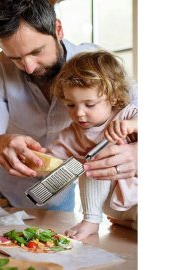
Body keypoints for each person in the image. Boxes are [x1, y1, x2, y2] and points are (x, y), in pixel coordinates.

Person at [0, 0, 137, 210]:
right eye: (16, 58)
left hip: (60, 192)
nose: (28, 67)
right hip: (6, 190)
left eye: (36, 52)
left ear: (58, 29)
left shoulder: (97, 66)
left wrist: (138, 152)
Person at [46, 50, 137, 240]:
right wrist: (35, 157)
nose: (79, 113)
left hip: (136, 200)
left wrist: (132, 125)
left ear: (112, 97)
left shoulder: (126, 114)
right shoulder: (72, 134)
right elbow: (50, 157)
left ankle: (128, 222)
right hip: (106, 206)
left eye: (89, 105)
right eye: (71, 105)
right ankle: (91, 220)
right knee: (90, 161)